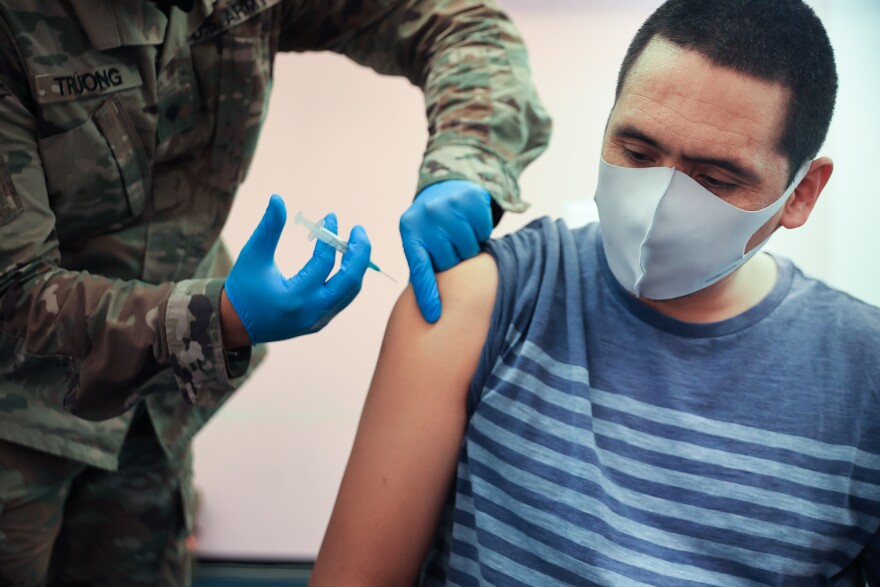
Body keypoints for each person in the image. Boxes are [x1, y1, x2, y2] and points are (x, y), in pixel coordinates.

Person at [310, 0, 880, 585]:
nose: (658, 202)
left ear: (802, 192)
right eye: (636, 153)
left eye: (716, 179)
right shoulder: (491, 301)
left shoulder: (865, 377)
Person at [0, 0, 550, 585]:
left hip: (156, 408)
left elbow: (458, 22)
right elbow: (15, 292)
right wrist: (215, 320)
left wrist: (465, 163)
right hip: (18, 418)